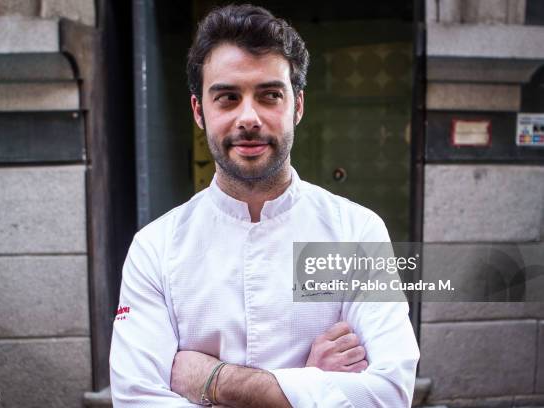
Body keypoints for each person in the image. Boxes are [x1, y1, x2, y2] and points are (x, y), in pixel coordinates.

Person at [110, 4, 419, 407]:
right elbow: (137, 400)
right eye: (227, 98)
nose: (249, 117)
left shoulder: (357, 232)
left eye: (270, 95)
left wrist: (214, 381)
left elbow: (390, 394)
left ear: (298, 106)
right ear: (199, 112)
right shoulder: (154, 247)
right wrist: (309, 385)